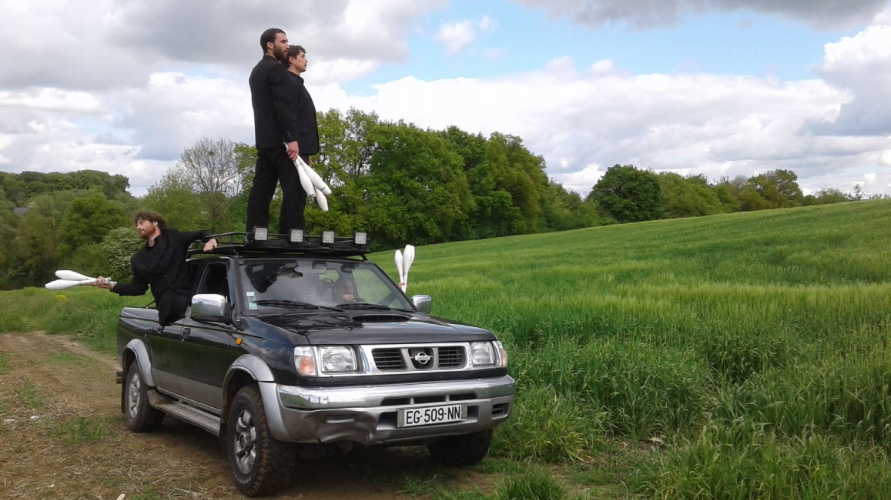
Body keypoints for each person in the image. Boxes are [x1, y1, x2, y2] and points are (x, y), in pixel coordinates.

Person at [93, 211, 218, 326]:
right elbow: (138, 288)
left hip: (192, 310)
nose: (137, 227)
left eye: (141, 223)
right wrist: (111, 286)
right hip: (169, 317)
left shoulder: (174, 237)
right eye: (136, 225)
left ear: (155, 222)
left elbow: (201, 233)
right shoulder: (138, 259)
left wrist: (211, 240)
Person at [245, 28, 303, 236]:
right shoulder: (276, 69)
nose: (287, 45)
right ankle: (293, 234)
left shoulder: (256, 70)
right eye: (283, 41)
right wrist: (292, 139)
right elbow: (282, 105)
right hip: (281, 141)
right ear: (270, 44)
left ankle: (255, 232)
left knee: (261, 190)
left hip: (263, 141)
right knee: (293, 189)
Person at [282, 44, 320, 172]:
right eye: (302, 56)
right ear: (292, 60)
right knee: (296, 190)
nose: (306, 60)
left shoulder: (296, 82)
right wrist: (295, 146)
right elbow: (290, 115)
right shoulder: (289, 83)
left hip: (301, 149)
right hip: (295, 149)